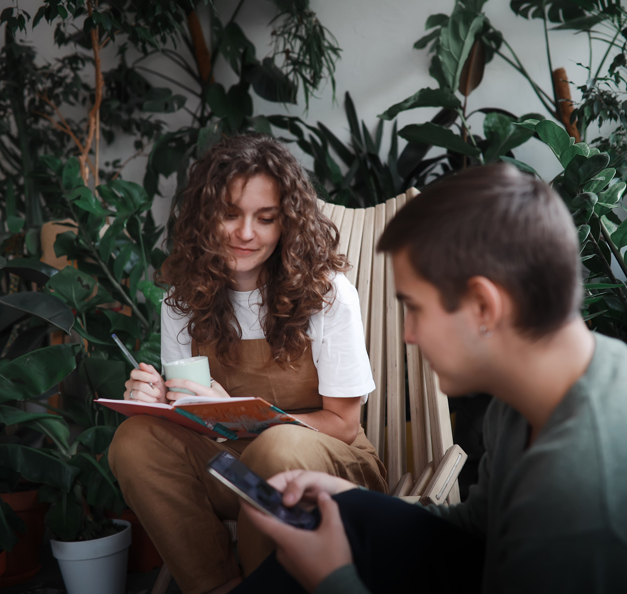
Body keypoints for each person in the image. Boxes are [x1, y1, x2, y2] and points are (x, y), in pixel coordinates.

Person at [234, 162, 627, 594]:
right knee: (349, 520)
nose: (409, 334)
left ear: (483, 306)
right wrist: (349, 500)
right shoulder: (525, 399)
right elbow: (477, 532)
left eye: (415, 308)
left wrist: (332, 579)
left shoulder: (580, 492)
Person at [108, 134, 387, 594]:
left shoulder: (327, 293)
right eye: (230, 213)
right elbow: (192, 422)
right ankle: (217, 585)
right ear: (205, 216)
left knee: (275, 449)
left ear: (287, 223)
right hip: (231, 468)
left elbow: (342, 424)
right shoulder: (183, 302)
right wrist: (160, 402)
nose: (245, 233)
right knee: (134, 440)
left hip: (326, 465)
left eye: (266, 218)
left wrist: (242, 416)